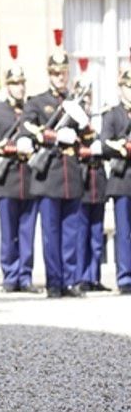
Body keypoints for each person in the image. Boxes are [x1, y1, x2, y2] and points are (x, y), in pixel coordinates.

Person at [19, 30, 93, 298]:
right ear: (49, 74)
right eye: (55, 73)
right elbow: (27, 131)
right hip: (48, 176)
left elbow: (90, 137)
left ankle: (72, 281)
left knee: (71, 232)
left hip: (71, 176)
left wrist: (83, 123)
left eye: (63, 73)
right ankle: (54, 281)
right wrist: (53, 135)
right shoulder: (38, 103)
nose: (60, 78)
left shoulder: (75, 104)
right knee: (51, 234)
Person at [0, 45, 39, 293]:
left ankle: (25, 276)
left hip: (30, 178)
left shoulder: (32, 109)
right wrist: (5, 146)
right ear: (8, 86)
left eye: (22, 83)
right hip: (6, 180)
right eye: (15, 83)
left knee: (27, 232)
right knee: (9, 233)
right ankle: (10, 275)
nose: (20, 88)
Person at [101, 60, 131, 295]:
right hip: (122, 180)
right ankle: (125, 277)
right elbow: (104, 142)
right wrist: (119, 146)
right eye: (128, 87)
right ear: (121, 88)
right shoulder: (113, 114)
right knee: (124, 231)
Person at [75, 89, 109, 292]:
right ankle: (81, 276)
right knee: (81, 234)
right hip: (83, 181)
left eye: (87, 102)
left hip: (98, 181)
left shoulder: (98, 121)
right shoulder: (74, 124)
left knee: (97, 235)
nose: (85, 106)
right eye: (82, 102)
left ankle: (93, 276)